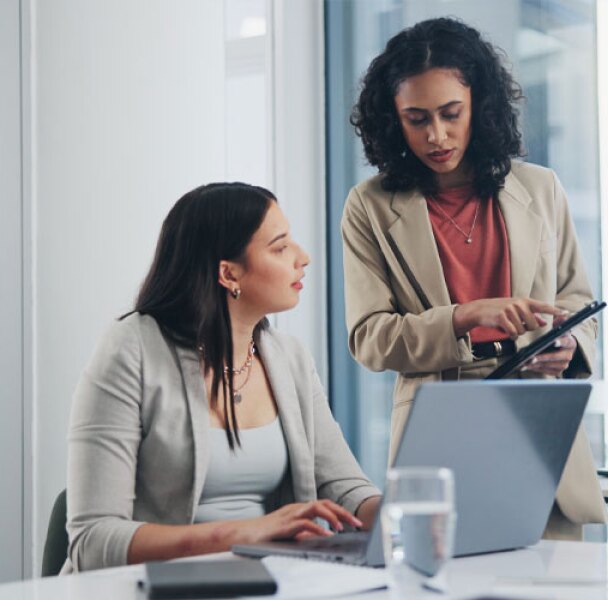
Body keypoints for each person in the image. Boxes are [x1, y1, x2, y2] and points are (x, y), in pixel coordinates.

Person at [342, 17, 606, 539]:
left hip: (535, 415)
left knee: (551, 579)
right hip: (439, 421)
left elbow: (579, 303)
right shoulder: (368, 206)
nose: (436, 136)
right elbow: (369, 339)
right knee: (437, 575)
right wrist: (464, 317)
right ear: (393, 121)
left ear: (478, 106)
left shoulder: (541, 188)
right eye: (416, 119)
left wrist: (569, 344)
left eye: (450, 114)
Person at [65, 183, 381, 572]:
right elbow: (92, 540)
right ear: (229, 273)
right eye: (280, 247)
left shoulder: (290, 358)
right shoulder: (131, 350)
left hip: (267, 582)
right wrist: (247, 532)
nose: (303, 257)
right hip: (152, 588)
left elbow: (346, 489)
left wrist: (408, 509)